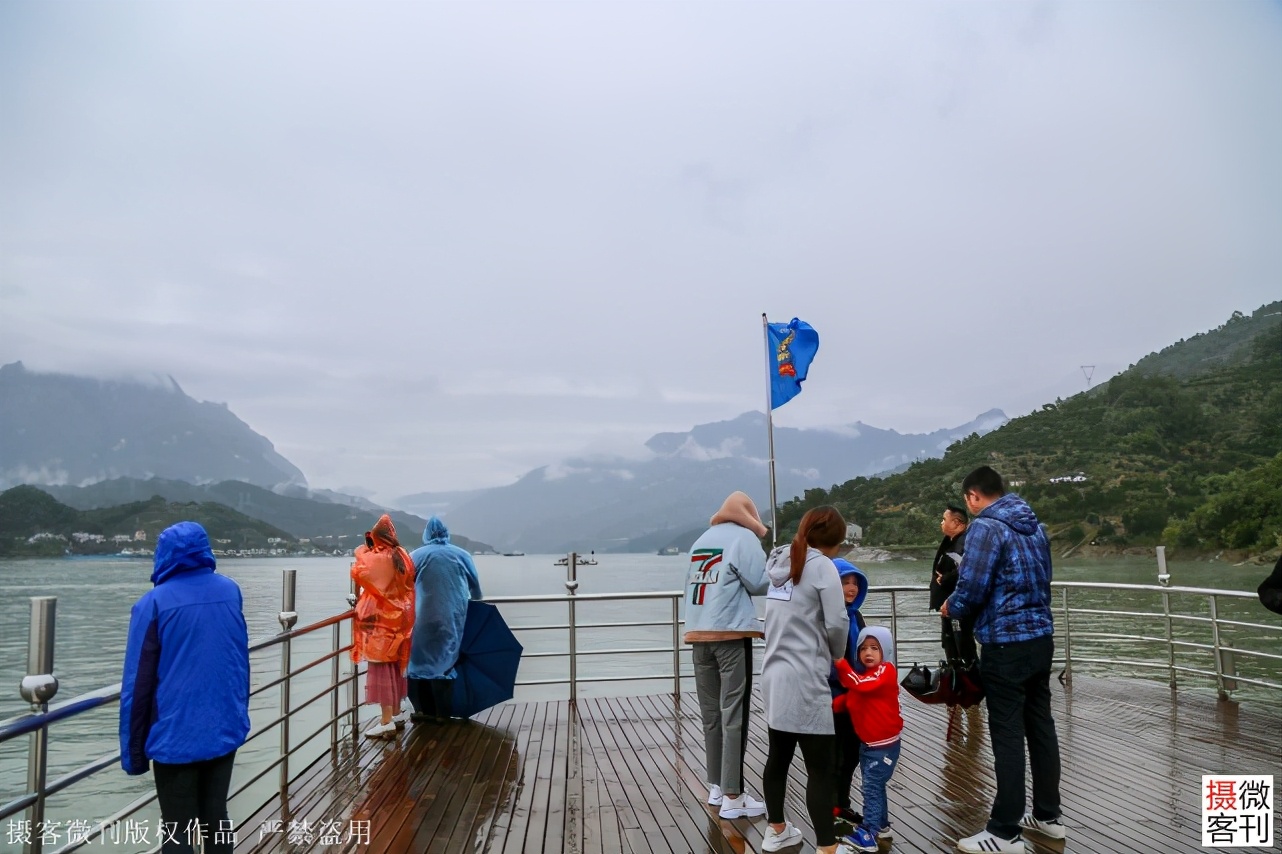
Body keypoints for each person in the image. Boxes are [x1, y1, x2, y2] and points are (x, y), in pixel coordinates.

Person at [942, 466, 1065, 853]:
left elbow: (973, 587)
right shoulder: (1035, 526)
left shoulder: (985, 527)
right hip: (1040, 639)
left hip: (1005, 644)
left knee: (1007, 733)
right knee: (1040, 726)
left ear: (972, 497)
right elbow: (1042, 580)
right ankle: (1048, 817)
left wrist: (951, 606)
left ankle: (1004, 831)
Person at [119, 522, 250, 854]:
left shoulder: (153, 604)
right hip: (225, 726)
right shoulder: (230, 591)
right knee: (215, 817)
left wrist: (135, 755)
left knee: (177, 829)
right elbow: (236, 659)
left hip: (176, 735)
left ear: (163, 555)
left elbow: (138, 685)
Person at [759, 506, 850, 854]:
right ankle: (827, 847)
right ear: (834, 541)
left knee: (778, 757)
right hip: (806, 679)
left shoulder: (781, 560)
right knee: (821, 769)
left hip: (774, 675)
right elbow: (837, 621)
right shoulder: (822, 565)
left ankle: (777, 829)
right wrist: (838, 655)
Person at [683, 491, 770, 819]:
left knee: (711, 715)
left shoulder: (700, 540)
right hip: (730, 635)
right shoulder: (743, 538)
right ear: (749, 516)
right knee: (734, 712)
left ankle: (717, 786)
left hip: (697, 634)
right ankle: (734, 796)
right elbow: (761, 583)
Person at [834, 626, 903, 853]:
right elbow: (851, 698)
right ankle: (881, 825)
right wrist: (828, 707)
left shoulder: (886, 671)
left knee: (871, 787)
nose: (868, 653)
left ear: (886, 651)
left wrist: (840, 662)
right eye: (863, 648)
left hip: (883, 746)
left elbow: (860, 686)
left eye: (875, 648)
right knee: (876, 786)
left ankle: (870, 833)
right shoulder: (864, 675)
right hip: (869, 745)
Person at [408, 516, 483, 722]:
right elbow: (476, 589)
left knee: (417, 663)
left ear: (426, 534)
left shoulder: (416, 556)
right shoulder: (462, 554)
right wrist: (475, 605)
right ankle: (443, 713)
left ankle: (422, 711)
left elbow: (403, 586)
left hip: (422, 617)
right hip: (453, 617)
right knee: (446, 661)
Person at [351, 514, 417, 738]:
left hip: (381, 624)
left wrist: (365, 548)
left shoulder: (379, 558)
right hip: (398, 622)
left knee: (381, 669)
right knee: (394, 669)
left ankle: (386, 720)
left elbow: (358, 569)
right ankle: (397, 714)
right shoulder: (402, 556)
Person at [828, 559, 868, 827]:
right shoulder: (828, 617)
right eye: (845, 582)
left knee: (852, 753)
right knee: (836, 755)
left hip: (856, 695)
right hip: (833, 697)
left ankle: (842, 803)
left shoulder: (856, 616)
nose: (851, 588)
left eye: (855, 583)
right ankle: (833, 806)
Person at [929, 505, 975, 664]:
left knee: (962, 648)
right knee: (951, 645)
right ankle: (957, 678)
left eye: (944, 519)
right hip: (949, 605)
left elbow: (968, 568)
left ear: (957, 523)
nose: (941, 523)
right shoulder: (952, 541)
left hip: (957, 606)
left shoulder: (963, 542)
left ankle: (966, 682)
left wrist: (946, 578)